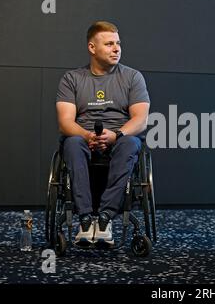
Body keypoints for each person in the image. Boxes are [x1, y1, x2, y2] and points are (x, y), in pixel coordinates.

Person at [56, 21, 150, 246]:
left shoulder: (132, 77)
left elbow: (140, 119)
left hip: (119, 138)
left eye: (118, 43)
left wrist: (116, 134)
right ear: (92, 48)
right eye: (109, 44)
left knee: (130, 143)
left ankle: (106, 217)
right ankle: (86, 219)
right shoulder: (72, 78)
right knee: (72, 143)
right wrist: (89, 136)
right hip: (83, 139)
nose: (116, 48)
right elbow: (65, 122)